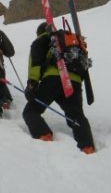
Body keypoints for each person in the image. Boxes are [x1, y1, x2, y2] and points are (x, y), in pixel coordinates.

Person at [22, 22, 95, 154]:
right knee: (76, 115)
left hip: (54, 78)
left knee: (31, 111)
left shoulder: (42, 40)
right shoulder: (72, 42)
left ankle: (44, 135)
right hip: (74, 81)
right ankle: (87, 146)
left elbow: (35, 63)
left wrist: (32, 84)